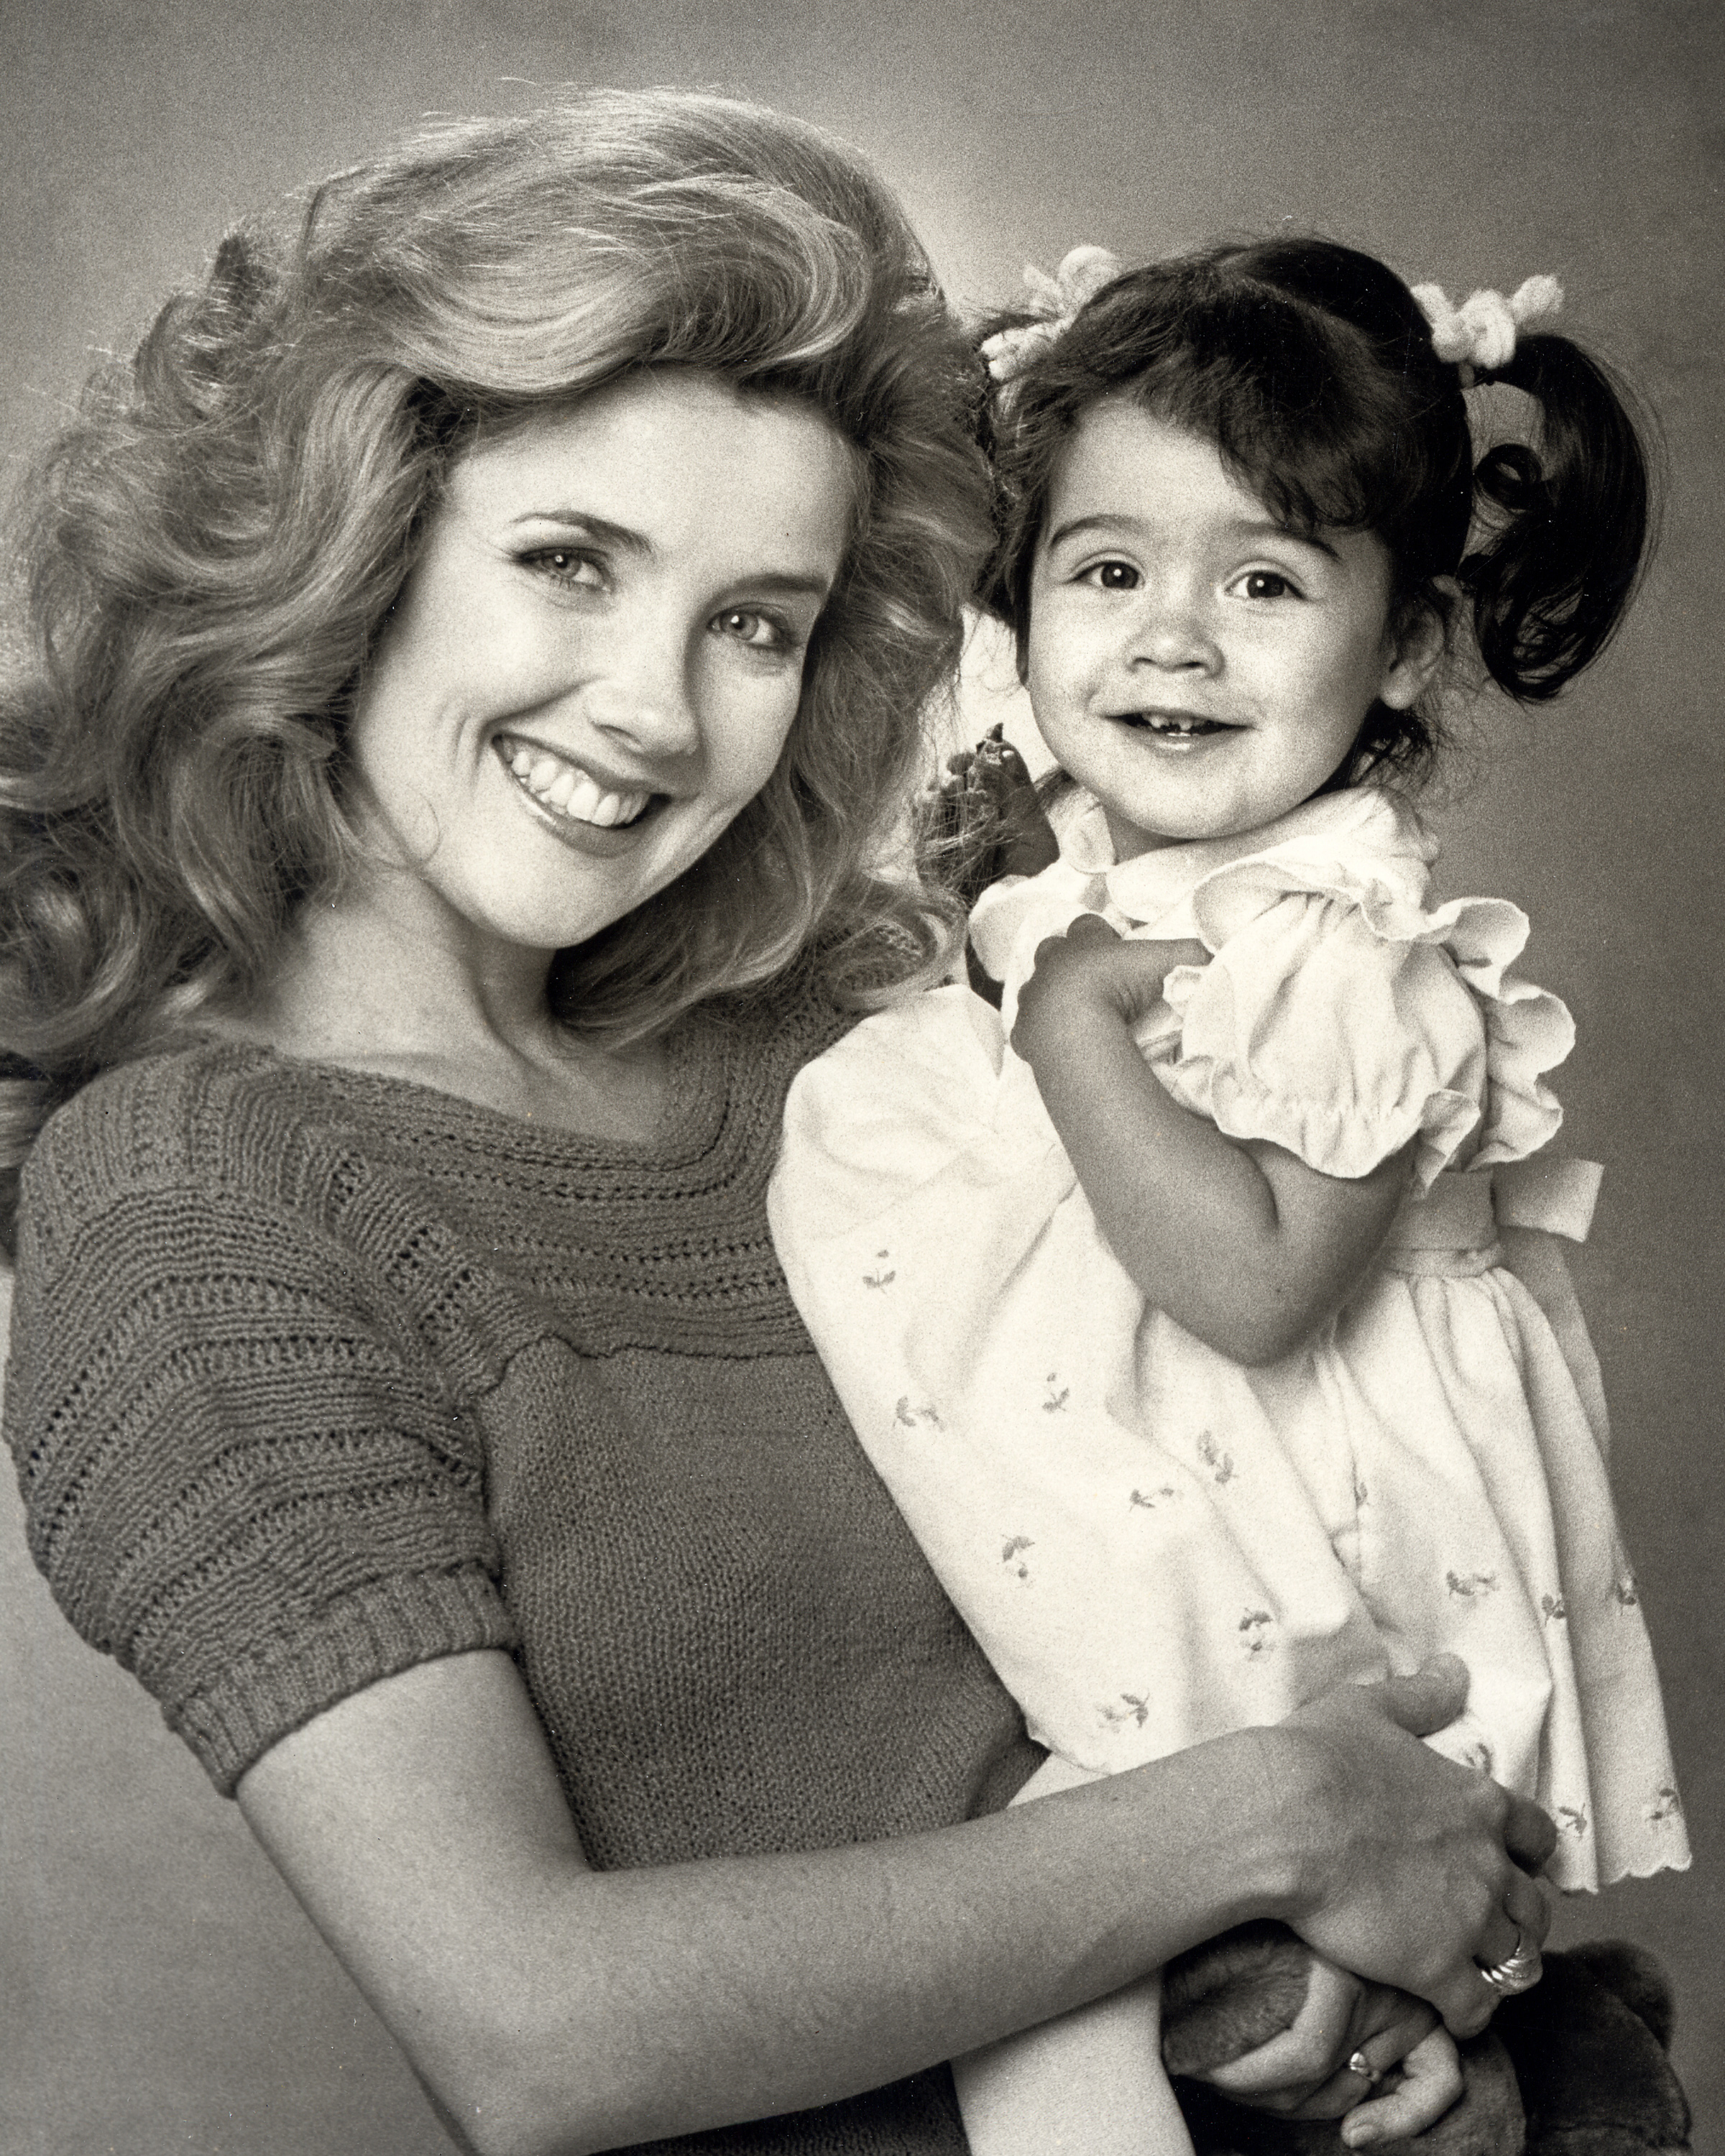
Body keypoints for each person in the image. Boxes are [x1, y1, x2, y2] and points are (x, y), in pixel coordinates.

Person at [0, 101, 1558, 2156]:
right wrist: (1270, 1826)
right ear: (345, 547)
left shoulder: (842, 1039)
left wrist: (1371, 2010)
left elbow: (1209, 1579)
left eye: (759, 621)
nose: (657, 709)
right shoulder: (203, 1201)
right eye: (569, 563)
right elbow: (538, 2036)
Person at [768, 239, 1690, 2153]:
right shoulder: (1102, 873)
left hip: (1291, 1566)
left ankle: (1505, 2061)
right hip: (1128, 1525)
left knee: (1073, 1926)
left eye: (1264, 581)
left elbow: (1253, 1288)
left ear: (1406, 642)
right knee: (1083, 1940)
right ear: (1021, 604)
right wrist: (1017, 930)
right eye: (1109, 571)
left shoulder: (1362, 954)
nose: (1170, 639)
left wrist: (1065, 1020)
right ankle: (1452, 2059)